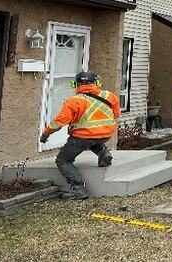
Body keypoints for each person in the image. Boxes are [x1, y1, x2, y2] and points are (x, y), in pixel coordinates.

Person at [39, 71, 120, 200]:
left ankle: (79, 189)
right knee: (94, 141)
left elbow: (59, 122)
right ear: (97, 83)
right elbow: (116, 114)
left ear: (76, 84)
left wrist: (45, 134)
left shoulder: (74, 101)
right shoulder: (109, 96)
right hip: (106, 134)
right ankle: (104, 153)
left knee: (63, 160)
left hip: (82, 137)